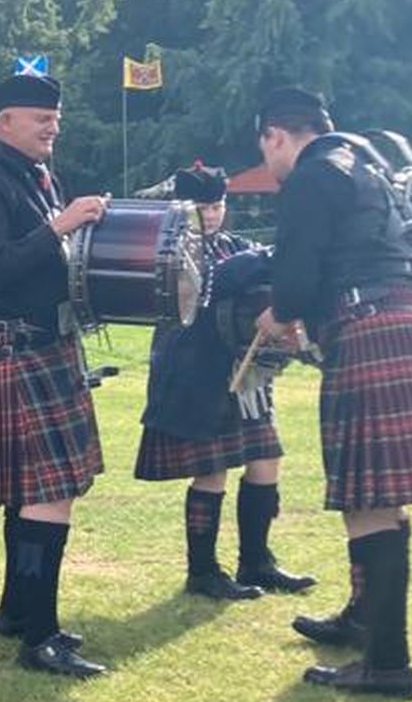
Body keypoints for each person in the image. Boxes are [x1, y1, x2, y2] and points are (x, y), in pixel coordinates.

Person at [252, 87, 412, 698]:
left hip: (373, 331)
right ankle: (365, 620)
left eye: (265, 150)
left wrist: (279, 314)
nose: (269, 163)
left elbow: (295, 281)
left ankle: (388, 664)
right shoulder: (371, 166)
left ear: (276, 135)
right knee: (381, 497)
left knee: (368, 499)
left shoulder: (312, 175)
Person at [0, 68, 110, 680]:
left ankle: (18, 612)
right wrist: (59, 226)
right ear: (5, 121)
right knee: (49, 493)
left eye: (56, 120)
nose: (52, 129)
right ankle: (40, 637)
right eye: (42, 120)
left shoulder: (36, 176)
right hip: (20, 347)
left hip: (44, 344)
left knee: (30, 493)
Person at [133, 166, 316, 601]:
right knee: (212, 471)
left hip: (244, 376)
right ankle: (203, 572)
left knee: (266, 460)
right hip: (194, 373)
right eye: (201, 206)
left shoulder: (237, 246)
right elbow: (218, 283)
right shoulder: (170, 253)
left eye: (217, 205)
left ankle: (256, 561)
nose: (211, 214)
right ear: (182, 208)